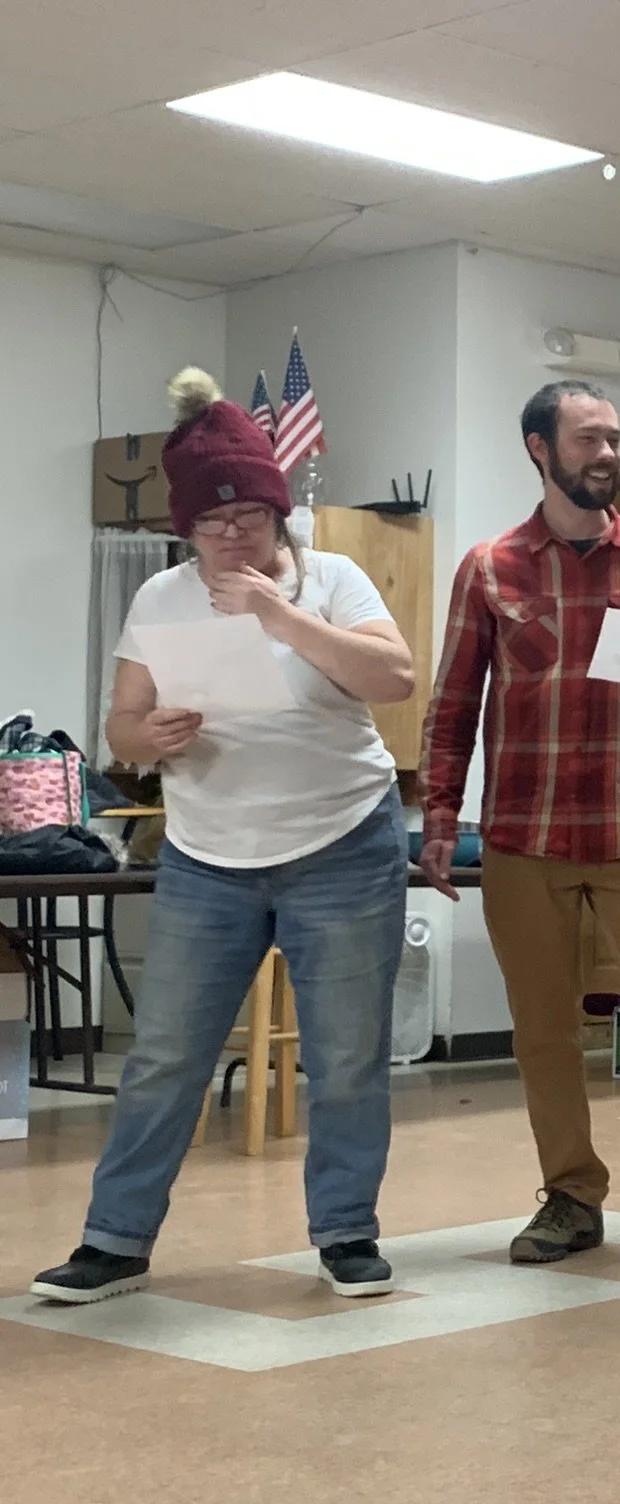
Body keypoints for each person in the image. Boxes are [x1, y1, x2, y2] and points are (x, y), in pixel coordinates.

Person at [31, 368, 413, 1305]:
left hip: (343, 844)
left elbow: (396, 678)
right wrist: (147, 738)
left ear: (278, 513)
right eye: (210, 520)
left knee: (346, 1056)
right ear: (184, 528)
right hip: (209, 856)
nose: (231, 532)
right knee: (165, 1055)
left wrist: (279, 614)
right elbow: (120, 723)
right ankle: (114, 1241)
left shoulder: (335, 578)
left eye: (248, 514)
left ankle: (346, 1234)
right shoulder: (160, 599)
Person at [419, 380, 620, 1268]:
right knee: (543, 1028)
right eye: (588, 440)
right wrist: (441, 816)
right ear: (539, 448)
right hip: (524, 834)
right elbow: (452, 703)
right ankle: (570, 1194)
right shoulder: (489, 568)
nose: (607, 454)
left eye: (614, 439)